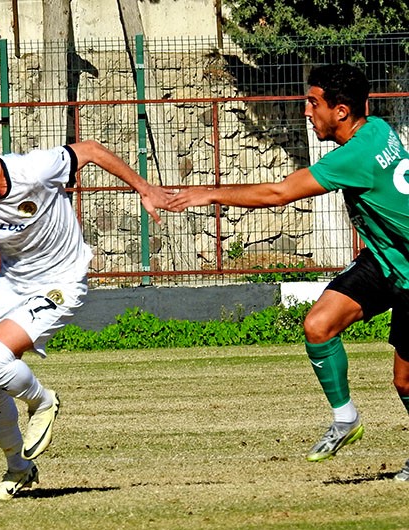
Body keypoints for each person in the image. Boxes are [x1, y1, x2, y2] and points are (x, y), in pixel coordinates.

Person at [167, 63, 409, 480]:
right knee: (318, 325)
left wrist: (206, 193)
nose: (305, 111)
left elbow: (278, 192)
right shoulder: (379, 130)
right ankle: (346, 419)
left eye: (313, 103)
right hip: (386, 258)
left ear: (342, 111)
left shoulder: (355, 155)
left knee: (405, 382)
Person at [0, 118, 172, 500]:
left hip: (61, 281)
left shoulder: (34, 170)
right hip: (13, 282)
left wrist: (145, 189)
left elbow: (90, 150)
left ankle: (43, 402)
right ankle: (19, 470)